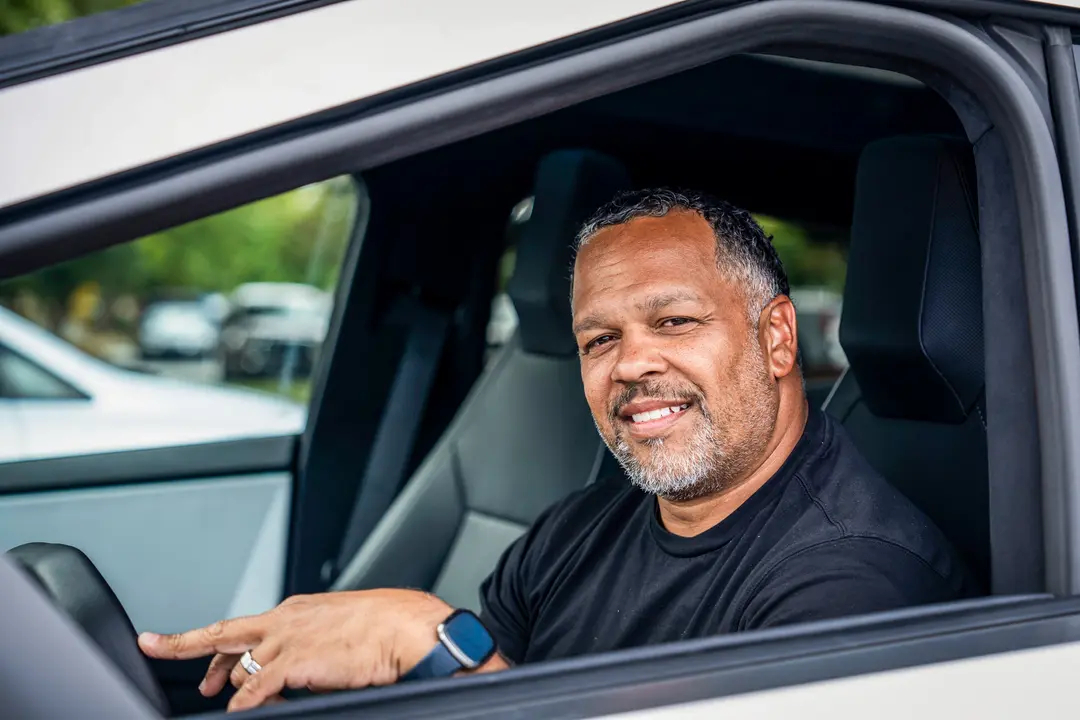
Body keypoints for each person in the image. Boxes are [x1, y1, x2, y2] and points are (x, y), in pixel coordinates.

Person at [140, 189, 976, 711]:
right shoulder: (582, 528)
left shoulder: (857, 583)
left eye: (675, 322)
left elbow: (468, 676)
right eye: (597, 339)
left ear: (778, 339)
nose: (632, 365)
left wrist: (435, 646)